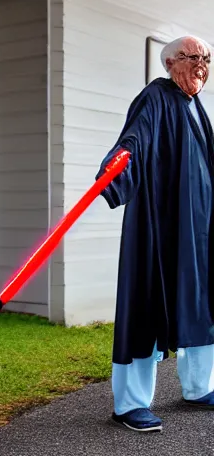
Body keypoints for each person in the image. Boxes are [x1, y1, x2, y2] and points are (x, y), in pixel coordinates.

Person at [96, 35, 214, 433]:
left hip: (199, 229)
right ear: (169, 62)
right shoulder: (155, 97)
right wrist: (118, 168)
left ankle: (199, 388)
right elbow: (134, 141)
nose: (201, 64)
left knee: (203, 305)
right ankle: (129, 405)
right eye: (192, 57)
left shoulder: (196, 106)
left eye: (207, 58)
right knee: (146, 303)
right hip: (160, 224)